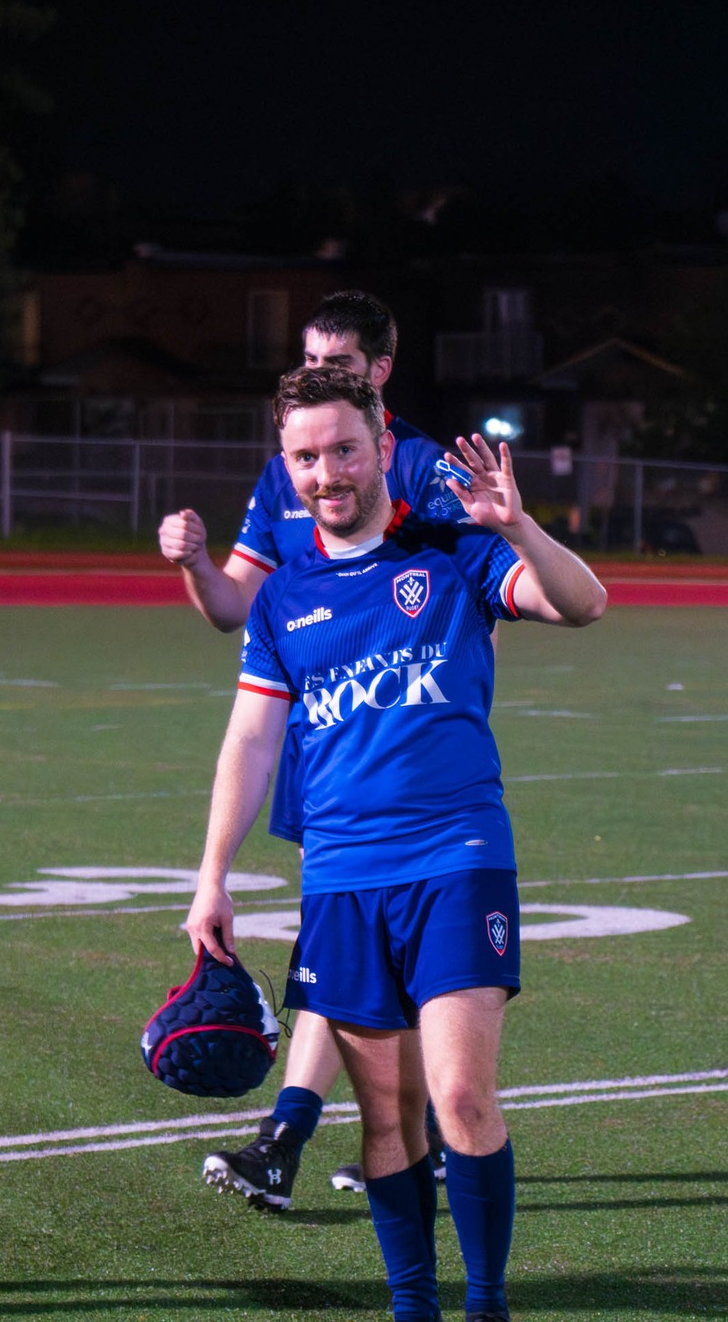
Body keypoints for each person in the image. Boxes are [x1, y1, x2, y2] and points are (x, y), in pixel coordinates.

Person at [184, 366, 606, 1322]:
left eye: (343, 449)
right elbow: (250, 742)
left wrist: (517, 527)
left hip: (457, 860)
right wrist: (212, 877)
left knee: (461, 1098)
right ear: (285, 465)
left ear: (381, 446)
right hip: (341, 879)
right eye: (305, 457)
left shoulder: (453, 551)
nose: (326, 472)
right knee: (386, 1117)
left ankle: (486, 1304)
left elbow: (584, 603)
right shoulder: (283, 599)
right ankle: (413, 1305)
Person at [164, 291, 460, 1209]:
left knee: (356, 942)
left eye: (339, 362)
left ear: (380, 371)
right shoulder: (282, 472)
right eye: (309, 360)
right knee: (350, 941)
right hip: (311, 739)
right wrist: (194, 561)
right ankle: (412, 1136)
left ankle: (298, 1134)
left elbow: (468, 592)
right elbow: (234, 609)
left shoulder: (419, 466)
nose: (319, 374)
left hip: (397, 752)